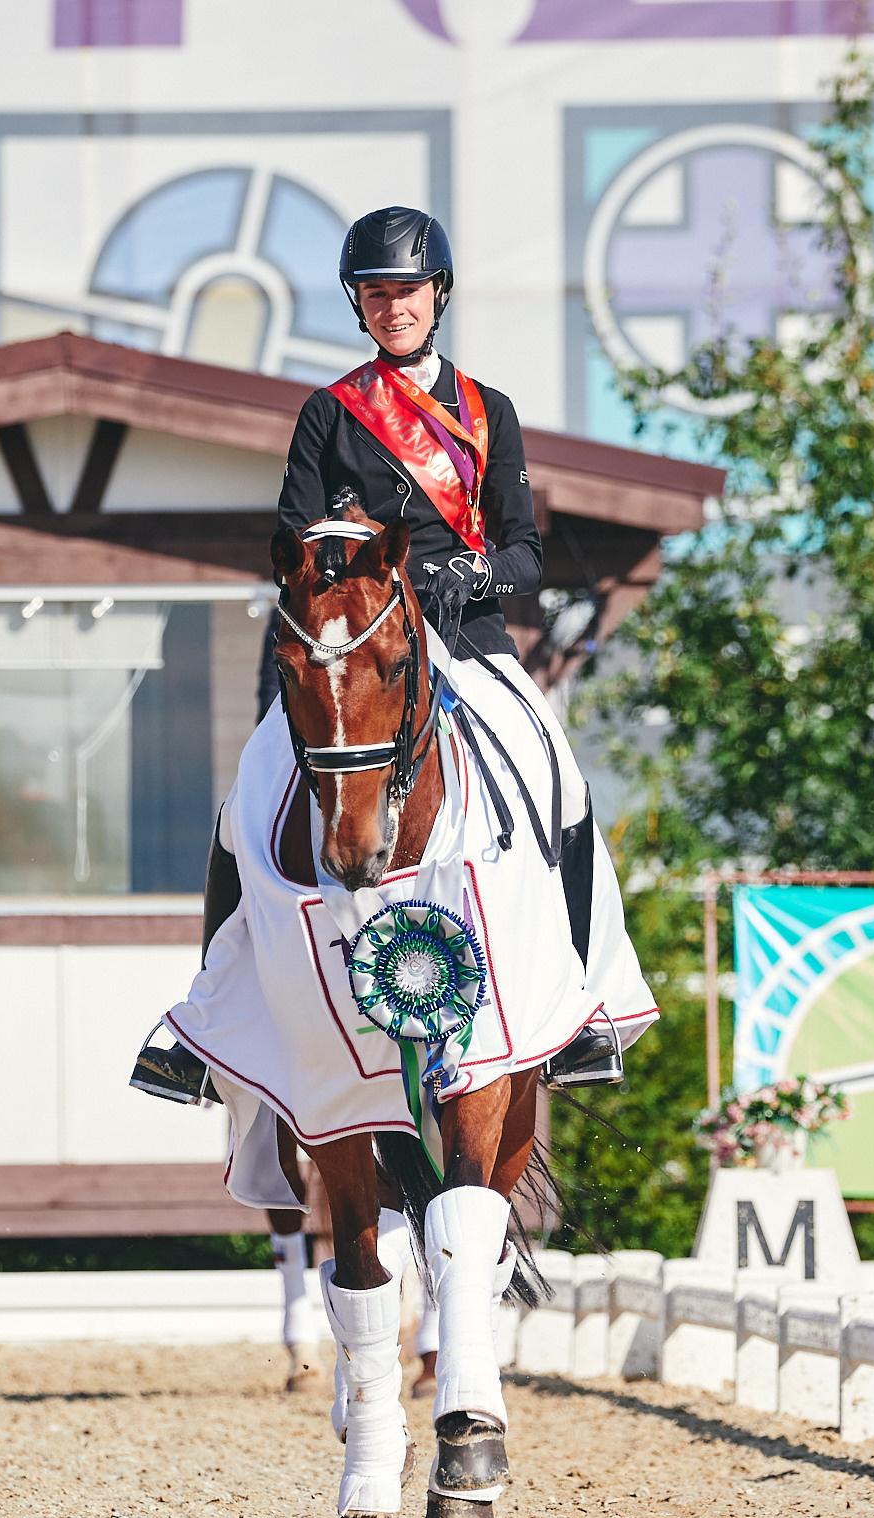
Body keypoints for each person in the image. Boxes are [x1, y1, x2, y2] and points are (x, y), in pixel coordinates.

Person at [132, 205, 624, 1109]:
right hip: (355, 646)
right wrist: (360, 564)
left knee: (564, 778)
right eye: (376, 294)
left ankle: (581, 1003)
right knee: (246, 796)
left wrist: (456, 573)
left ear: (438, 295)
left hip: (466, 646)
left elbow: (524, 555)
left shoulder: (489, 412)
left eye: (407, 290)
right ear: (359, 306)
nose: (394, 307)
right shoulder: (329, 413)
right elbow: (291, 535)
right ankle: (201, 1024)